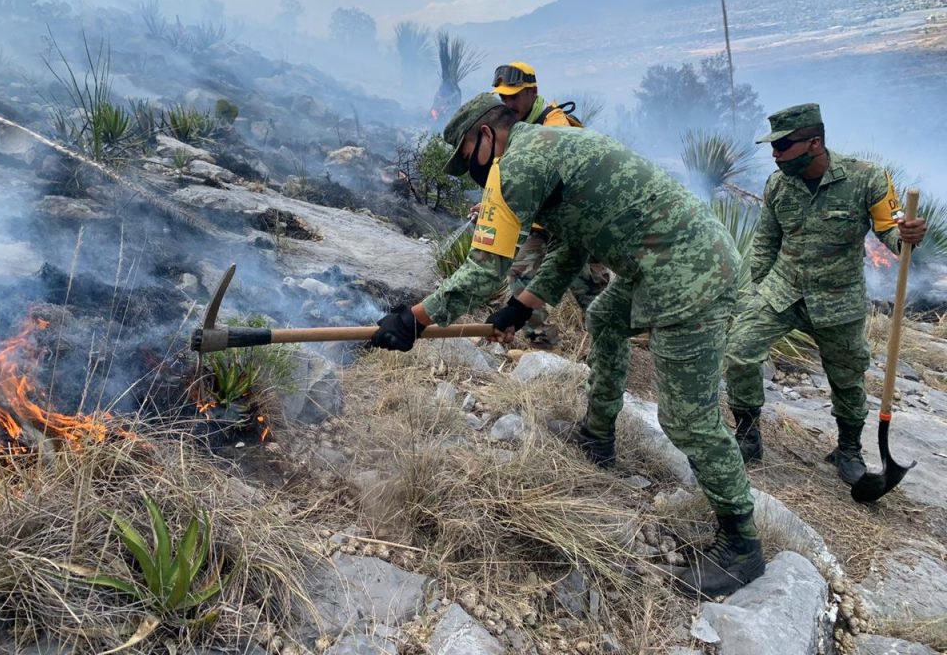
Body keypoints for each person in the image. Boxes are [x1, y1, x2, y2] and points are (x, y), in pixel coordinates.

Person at [371, 93, 764, 598]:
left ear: (488, 134)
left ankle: (742, 544)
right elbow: (573, 245)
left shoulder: (517, 166)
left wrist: (414, 319)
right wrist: (521, 305)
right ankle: (598, 436)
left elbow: (482, 270)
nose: (468, 166)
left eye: (468, 151)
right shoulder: (549, 147)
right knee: (604, 315)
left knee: (688, 420)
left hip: (689, 272)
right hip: (665, 258)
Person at [724, 103, 927, 484]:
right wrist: (755, 290)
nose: (775, 154)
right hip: (783, 289)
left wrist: (907, 239)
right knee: (739, 351)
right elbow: (767, 241)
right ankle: (748, 436)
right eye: (773, 146)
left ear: (814, 143)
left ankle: (848, 449)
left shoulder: (866, 178)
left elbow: (892, 234)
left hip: (839, 298)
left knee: (848, 377)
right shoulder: (777, 184)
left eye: (783, 146)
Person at [490, 61, 609, 349]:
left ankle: (615, 339)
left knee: (588, 285)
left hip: (575, 221)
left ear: (532, 92)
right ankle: (542, 342)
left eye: (514, 96)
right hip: (541, 223)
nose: (508, 103)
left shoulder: (555, 125)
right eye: (503, 97)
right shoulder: (513, 127)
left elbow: (550, 175)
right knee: (520, 274)